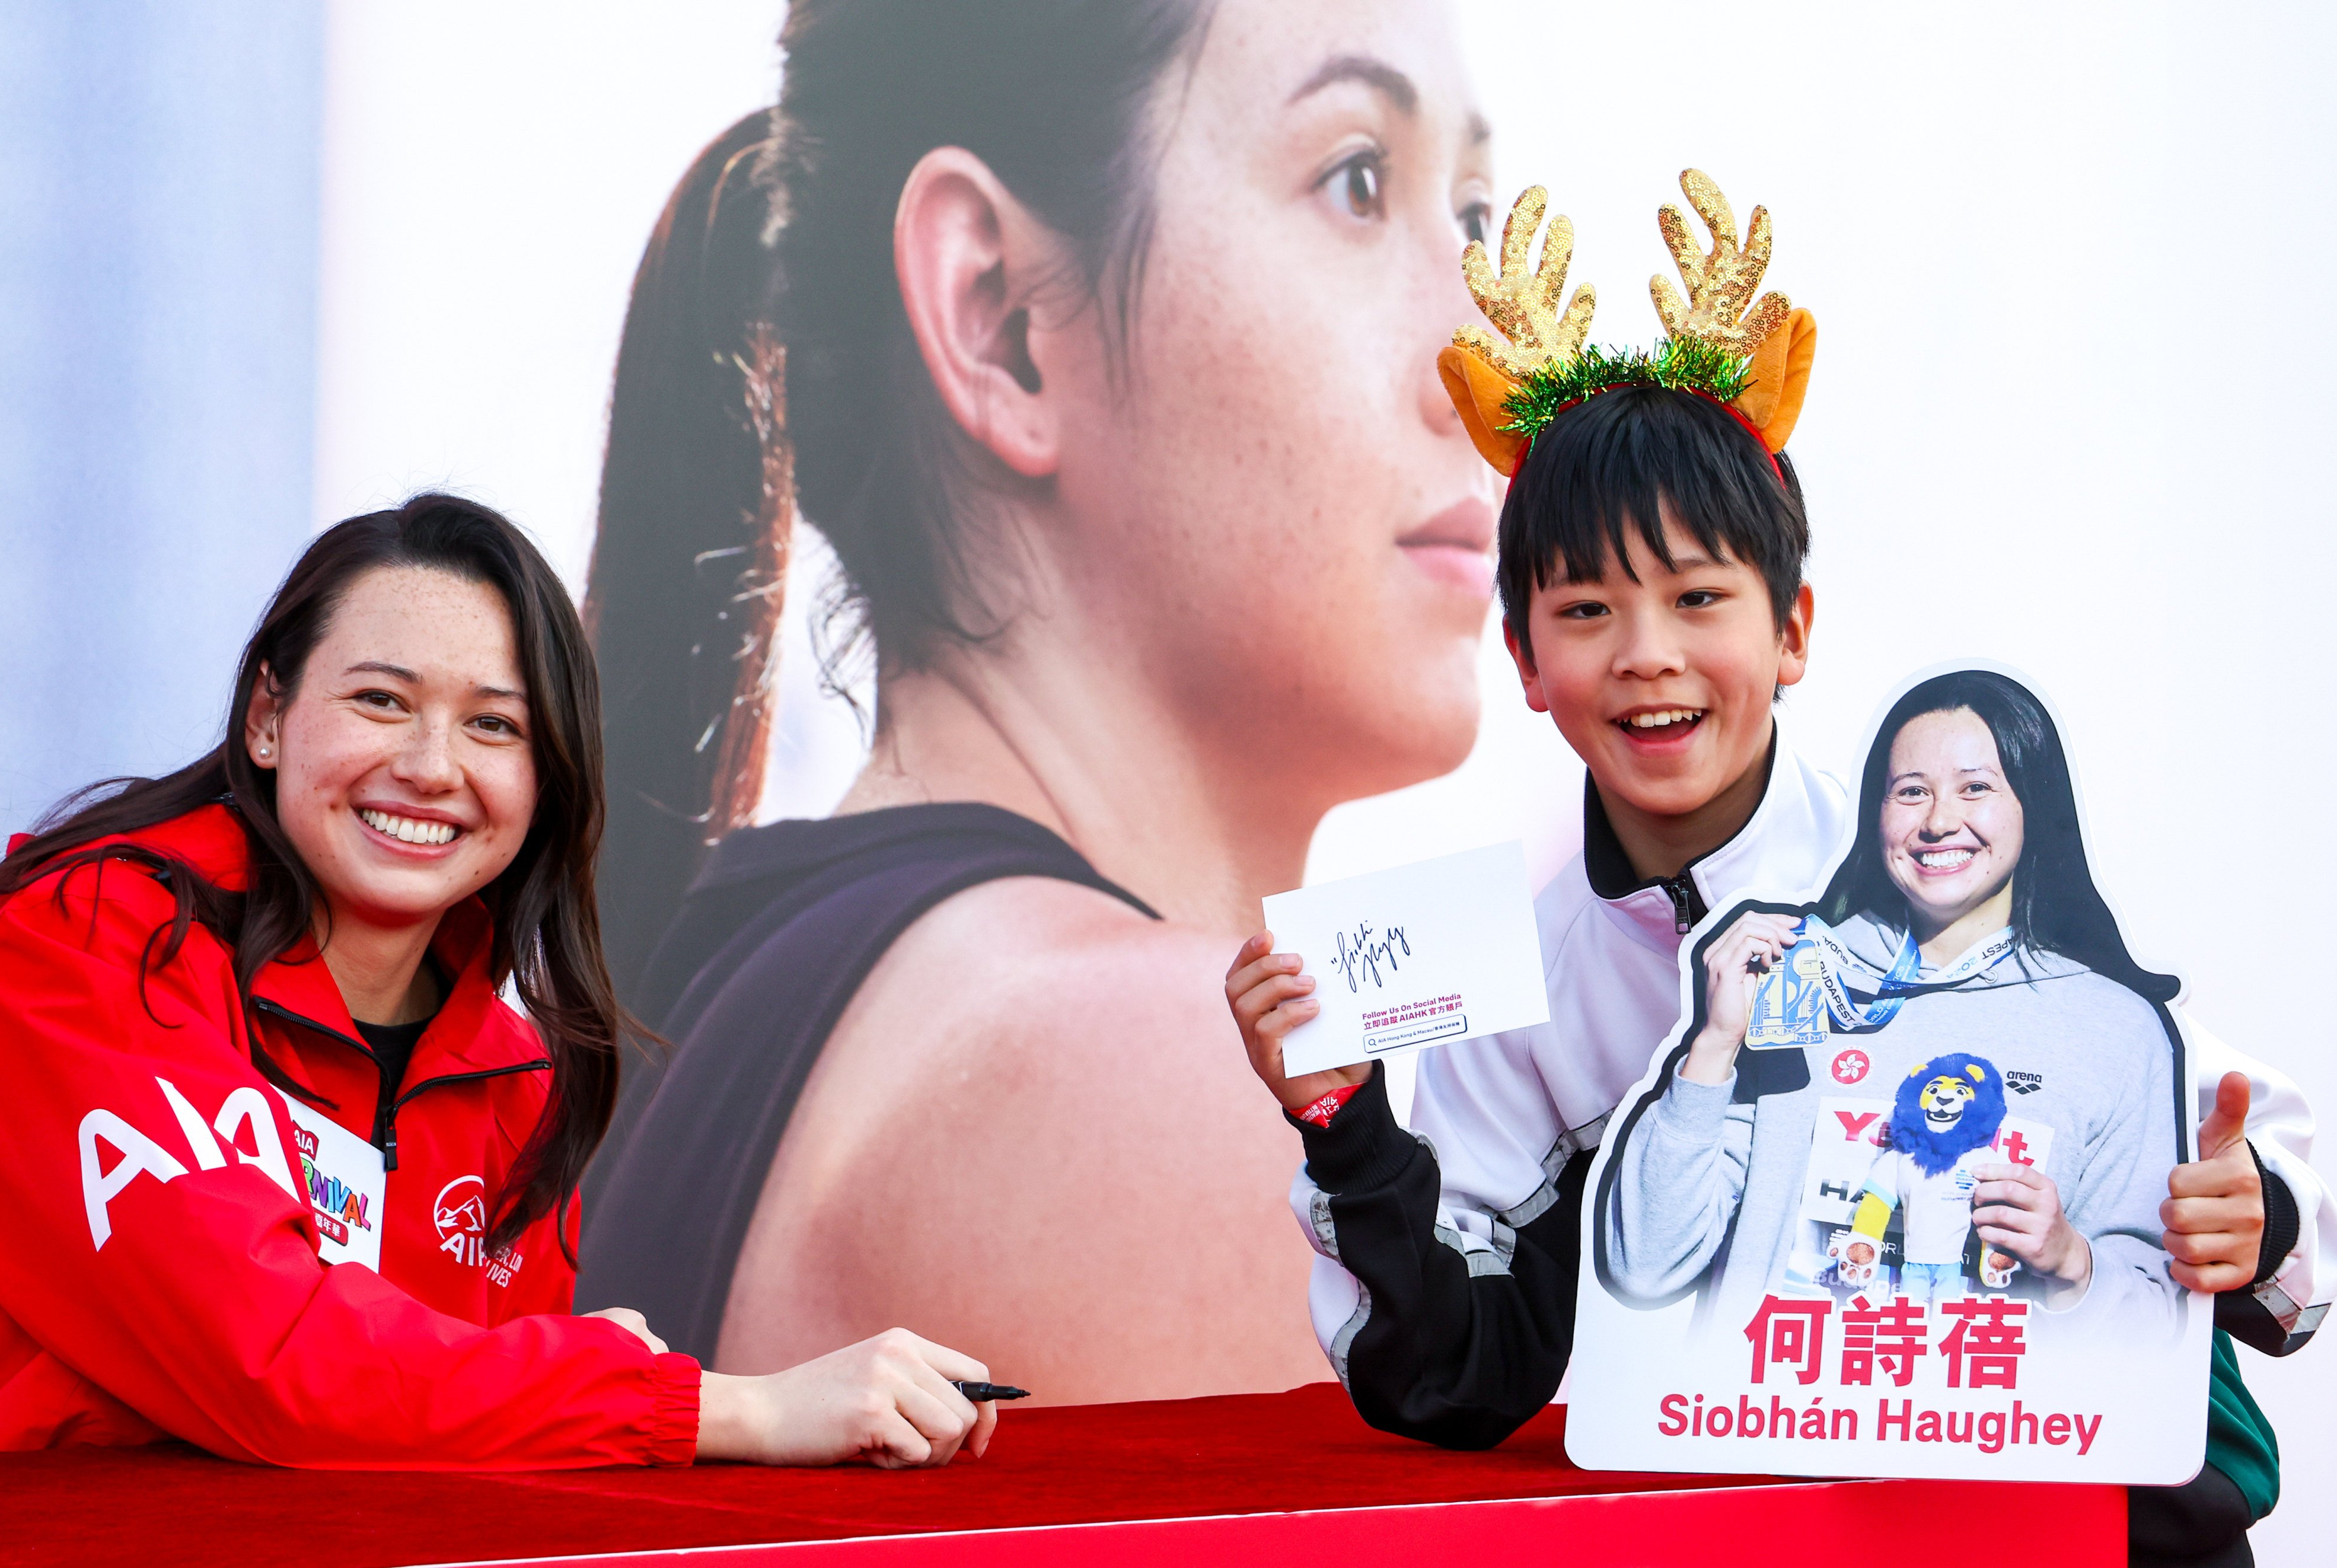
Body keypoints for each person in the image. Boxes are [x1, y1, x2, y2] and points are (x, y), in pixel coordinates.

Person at [1226, 175, 2323, 1564]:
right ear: (1523, 660)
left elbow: (2244, 1158)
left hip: (2103, 1522)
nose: (1648, 654)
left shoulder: (1953, 859)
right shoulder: (1524, 972)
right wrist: (1347, 1123)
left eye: (1698, 597)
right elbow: (1465, 1371)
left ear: (1792, 629)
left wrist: (2251, 1207)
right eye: (1586, 609)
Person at [578, 0, 1504, 1404]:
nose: (1499, 363)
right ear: (1001, 319)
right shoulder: (1179, 1081)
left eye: (1481, 220)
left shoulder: (766, 977)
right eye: (1357, 180)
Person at [0, 494, 998, 1468]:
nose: (433, 765)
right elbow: (281, 1365)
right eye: (383, 700)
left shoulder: (517, 1080)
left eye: (494, 723)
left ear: (545, 777)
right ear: (268, 717)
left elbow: (441, 1446)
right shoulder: (92, 943)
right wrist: (736, 1411)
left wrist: (564, 1372)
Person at [1600, 674, 2185, 1334]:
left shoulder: (2115, 1029)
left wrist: (2073, 1263)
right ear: (1876, 812)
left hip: (1994, 1429)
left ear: (2035, 806)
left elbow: (2154, 1327)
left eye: (1976, 787)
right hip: (1773, 1428)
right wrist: (1712, 1049)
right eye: (1911, 791)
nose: (1938, 820)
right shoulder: (1795, 986)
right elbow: (1646, 1268)